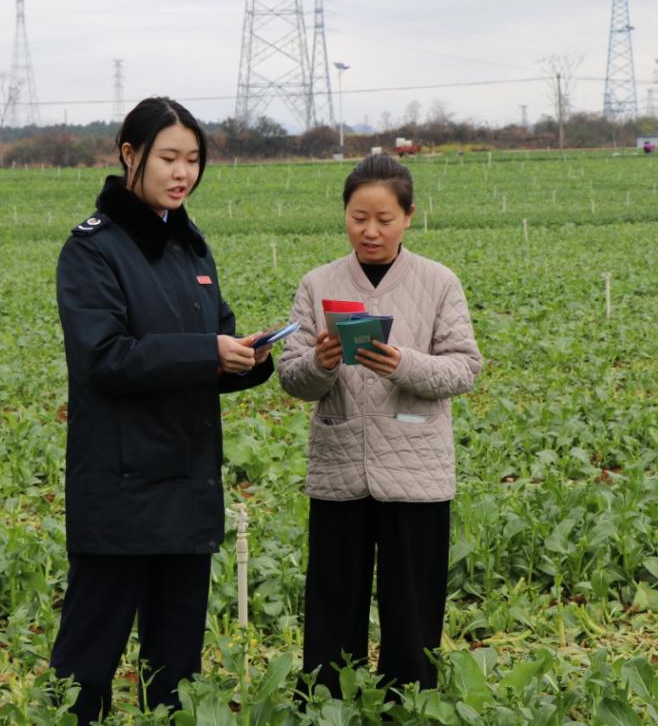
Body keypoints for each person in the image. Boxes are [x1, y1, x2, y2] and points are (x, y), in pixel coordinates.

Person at [50, 97, 274, 724]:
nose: (183, 173)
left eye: (194, 160)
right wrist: (207, 353)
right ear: (130, 155)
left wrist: (247, 361)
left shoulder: (191, 248)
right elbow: (105, 358)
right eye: (169, 157)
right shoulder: (93, 251)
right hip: (121, 489)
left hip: (187, 481)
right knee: (85, 665)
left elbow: (209, 349)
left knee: (175, 668)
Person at [277, 153, 483, 697]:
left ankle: (408, 701)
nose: (370, 231)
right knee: (333, 598)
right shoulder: (318, 284)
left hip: (415, 470)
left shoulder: (439, 282)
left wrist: (404, 364)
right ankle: (327, 701)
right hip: (340, 465)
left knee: (412, 606)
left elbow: (465, 367)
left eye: (384, 219)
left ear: (409, 216)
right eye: (358, 217)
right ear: (344, 215)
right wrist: (321, 363)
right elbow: (291, 378)